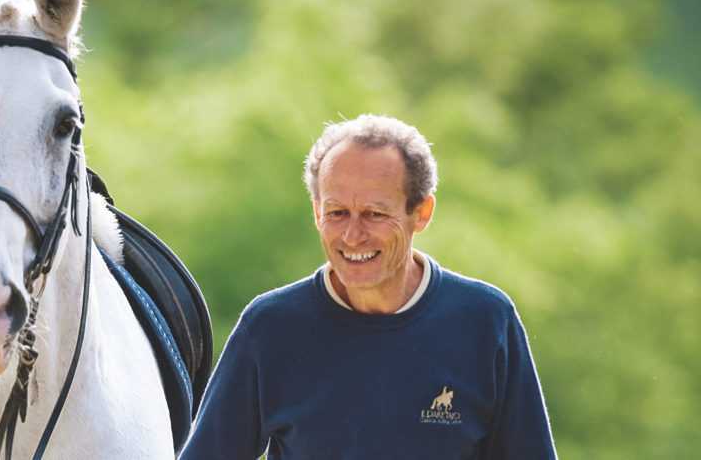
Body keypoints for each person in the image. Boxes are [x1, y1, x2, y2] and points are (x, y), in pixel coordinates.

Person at [179, 114, 557, 459]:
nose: (352, 235)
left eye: (374, 214)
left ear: (421, 213)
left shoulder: (485, 320)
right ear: (316, 212)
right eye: (337, 212)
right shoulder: (270, 327)